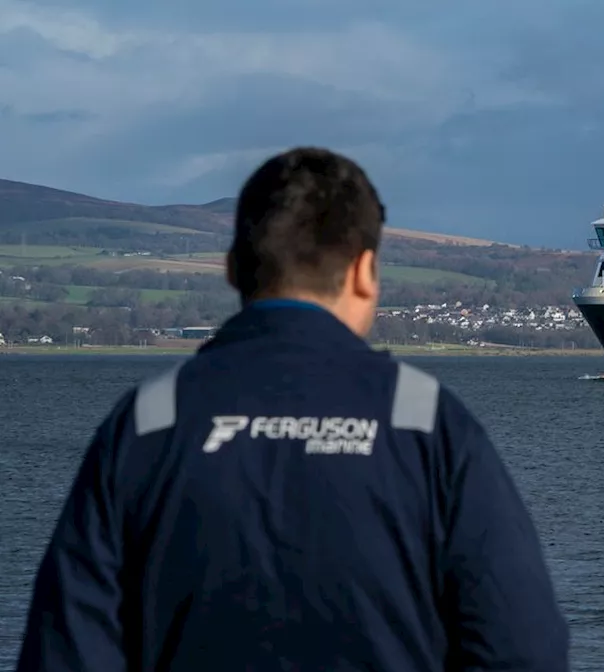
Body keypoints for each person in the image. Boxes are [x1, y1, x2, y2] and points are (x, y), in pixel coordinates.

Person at [16, 147, 570, 671]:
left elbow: (66, 650)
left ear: (233, 268)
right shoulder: (426, 422)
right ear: (365, 272)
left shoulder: (148, 421)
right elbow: (523, 648)